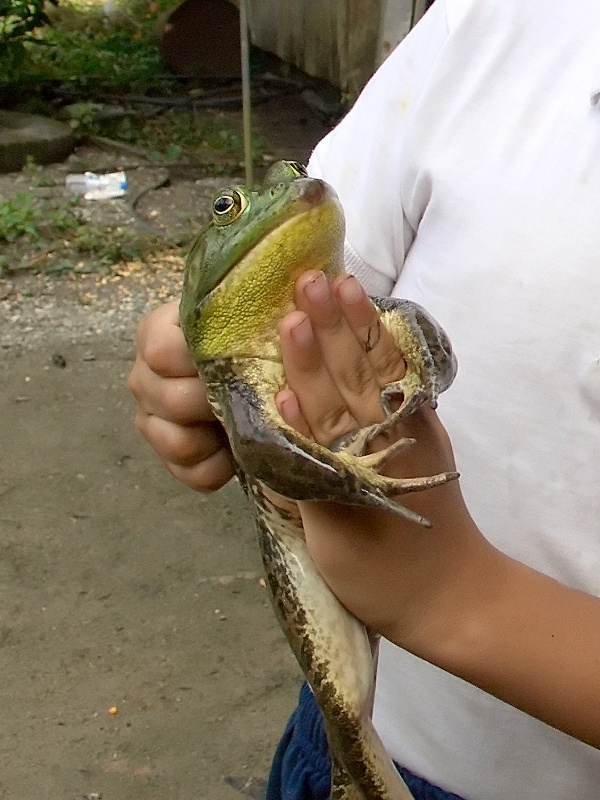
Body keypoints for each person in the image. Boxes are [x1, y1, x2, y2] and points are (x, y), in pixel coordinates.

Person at [127, 0, 600, 798]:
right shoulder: (505, 19)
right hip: (367, 736)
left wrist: (456, 595)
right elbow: (324, 258)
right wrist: (186, 362)